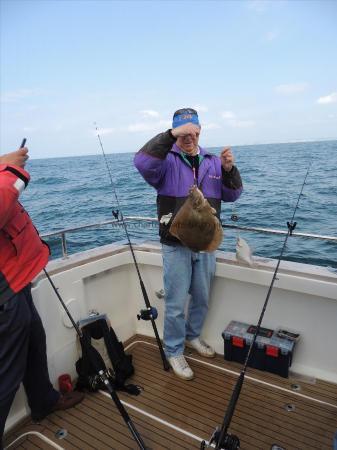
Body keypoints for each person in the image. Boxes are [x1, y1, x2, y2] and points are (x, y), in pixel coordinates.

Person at [134, 108, 243, 380]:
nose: (188, 137)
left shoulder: (212, 161)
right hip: (175, 243)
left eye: (193, 131)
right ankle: (173, 350)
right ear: (174, 132)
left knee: (202, 298)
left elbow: (233, 195)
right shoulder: (164, 162)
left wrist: (229, 170)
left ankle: (193, 336)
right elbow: (142, 163)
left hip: (205, 243)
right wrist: (170, 137)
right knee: (175, 302)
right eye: (182, 132)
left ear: (200, 130)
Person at [0, 146, 84, 446]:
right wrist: (8, 170)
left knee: (35, 340)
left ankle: (44, 401)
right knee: (7, 372)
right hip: (4, 291)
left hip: (15, 278)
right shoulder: (6, 173)